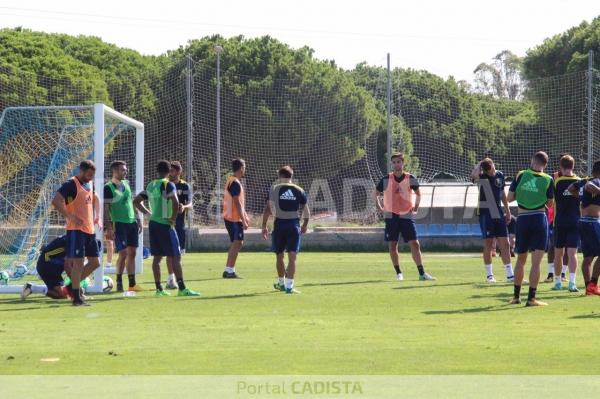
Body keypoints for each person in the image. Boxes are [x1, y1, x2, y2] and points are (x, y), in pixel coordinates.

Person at [133, 160, 199, 297]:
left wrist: (148, 213)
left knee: (157, 258)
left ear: (157, 170)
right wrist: (173, 219)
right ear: (169, 171)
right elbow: (175, 201)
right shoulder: (167, 184)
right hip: (165, 224)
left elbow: (136, 201)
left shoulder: (151, 185)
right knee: (175, 256)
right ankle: (182, 288)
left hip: (153, 224)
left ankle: (159, 289)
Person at [373, 152, 435, 281]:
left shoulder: (410, 177)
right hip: (391, 215)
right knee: (393, 244)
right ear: (392, 164)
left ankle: (422, 273)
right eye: (394, 162)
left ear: (403, 162)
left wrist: (416, 207)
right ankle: (398, 273)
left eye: (398, 162)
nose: (396, 164)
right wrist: (379, 207)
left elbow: (418, 193)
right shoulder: (386, 179)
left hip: (406, 214)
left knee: (415, 243)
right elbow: (376, 193)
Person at [51, 160, 101, 306]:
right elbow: (56, 201)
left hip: (89, 230)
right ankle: (77, 298)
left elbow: (94, 198)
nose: (90, 178)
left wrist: (97, 216)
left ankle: (71, 288)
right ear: (81, 170)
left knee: (95, 262)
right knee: (78, 264)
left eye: (92, 175)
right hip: (76, 230)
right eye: (88, 175)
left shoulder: (90, 184)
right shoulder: (71, 184)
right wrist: (70, 216)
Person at [507, 151, 554, 306]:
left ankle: (516, 297)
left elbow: (510, 198)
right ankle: (531, 298)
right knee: (536, 262)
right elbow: (550, 204)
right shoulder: (548, 179)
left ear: (532, 160)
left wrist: (525, 193)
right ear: (545, 165)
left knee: (521, 260)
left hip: (523, 218)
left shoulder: (521, 175)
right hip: (539, 218)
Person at [261, 166, 309, 294]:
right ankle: (289, 287)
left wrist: (264, 226)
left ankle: (281, 283)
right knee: (292, 257)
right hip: (293, 225)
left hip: (279, 225)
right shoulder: (300, 190)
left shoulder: (274, 189)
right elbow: (306, 212)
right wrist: (305, 225)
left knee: (279, 256)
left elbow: (268, 209)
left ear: (280, 176)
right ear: (291, 176)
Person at [470, 158, 514, 283]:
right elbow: (473, 176)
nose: (491, 173)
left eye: (492, 170)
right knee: (488, 244)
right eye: (488, 172)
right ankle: (489, 275)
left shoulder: (500, 175)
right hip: (485, 214)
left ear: (494, 166)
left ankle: (510, 275)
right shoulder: (481, 176)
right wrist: (479, 164)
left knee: (505, 243)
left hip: (498, 213)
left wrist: (508, 211)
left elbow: (502, 194)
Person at [103, 160, 143, 293]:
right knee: (123, 253)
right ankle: (119, 280)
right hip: (118, 223)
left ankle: (132, 284)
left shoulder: (126, 183)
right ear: (114, 171)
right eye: (122, 170)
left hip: (131, 222)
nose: (125, 171)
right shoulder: (108, 187)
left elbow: (131, 202)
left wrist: (138, 219)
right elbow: (105, 208)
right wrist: (108, 227)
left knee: (133, 253)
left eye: (126, 169)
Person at [21, 235, 101, 301]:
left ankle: (32, 288)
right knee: (62, 293)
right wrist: (76, 288)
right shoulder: (74, 244)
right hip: (46, 265)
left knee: (63, 294)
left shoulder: (77, 240)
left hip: (54, 266)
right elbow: (68, 266)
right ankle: (32, 288)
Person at [569, 160, 600, 295]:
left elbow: (570, 188)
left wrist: (581, 198)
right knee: (590, 257)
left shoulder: (583, 180)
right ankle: (593, 284)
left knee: (588, 257)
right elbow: (589, 186)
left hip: (583, 221)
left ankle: (589, 288)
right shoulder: (596, 181)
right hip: (592, 222)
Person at [550, 155, 580, 292]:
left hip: (560, 221)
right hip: (575, 220)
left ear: (561, 167)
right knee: (572, 253)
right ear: (573, 166)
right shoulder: (579, 181)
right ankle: (572, 283)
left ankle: (557, 282)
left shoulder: (557, 181)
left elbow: (551, 200)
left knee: (558, 253)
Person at [166, 161, 193, 288]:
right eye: (169, 171)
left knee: (178, 253)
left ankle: (176, 278)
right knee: (169, 253)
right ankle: (171, 278)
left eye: (172, 171)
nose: (170, 173)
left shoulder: (184, 186)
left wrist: (184, 207)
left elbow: (190, 204)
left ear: (178, 172)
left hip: (179, 224)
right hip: (167, 223)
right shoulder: (166, 185)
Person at [222, 158, 250, 279]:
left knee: (236, 243)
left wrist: (245, 215)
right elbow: (237, 202)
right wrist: (243, 220)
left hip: (230, 217)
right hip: (234, 218)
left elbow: (238, 203)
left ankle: (228, 269)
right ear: (241, 168)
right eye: (244, 167)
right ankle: (229, 271)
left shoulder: (231, 180)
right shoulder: (235, 183)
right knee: (237, 243)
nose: (245, 169)